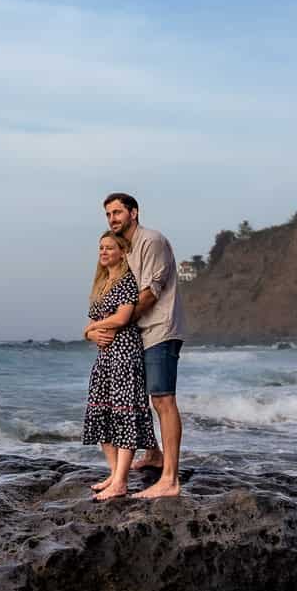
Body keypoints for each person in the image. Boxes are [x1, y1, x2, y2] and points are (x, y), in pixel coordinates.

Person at [90, 192, 187, 499]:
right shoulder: (126, 250)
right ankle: (155, 455)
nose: (112, 219)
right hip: (137, 336)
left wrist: (114, 325)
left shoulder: (151, 241)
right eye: (108, 214)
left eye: (117, 213)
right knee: (135, 400)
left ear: (133, 213)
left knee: (162, 400)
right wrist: (98, 331)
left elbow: (148, 295)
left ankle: (170, 479)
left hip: (160, 330)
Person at [81, 231, 154, 500]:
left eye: (110, 248)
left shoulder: (126, 281)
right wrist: (90, 333)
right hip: (105, 357)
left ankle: (121, 481)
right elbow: (93, 325)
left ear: (122, 252)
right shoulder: (100, 285)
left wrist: (91, 328)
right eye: (101, 247)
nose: (103, 252)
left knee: (124, 414)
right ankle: (113, 474)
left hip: (125, 353)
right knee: (101, 412)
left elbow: (123, 318)